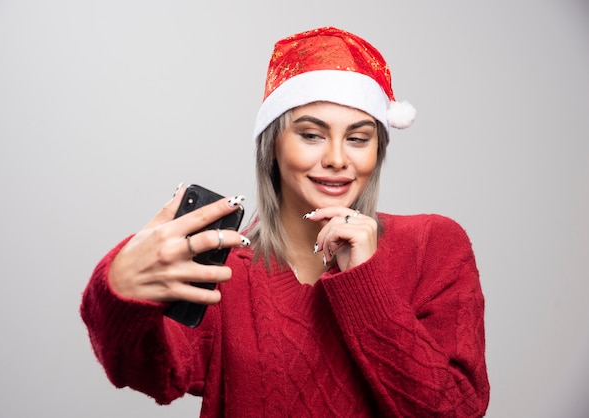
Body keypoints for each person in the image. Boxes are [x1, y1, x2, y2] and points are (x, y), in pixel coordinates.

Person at [80, 26, 490, 417]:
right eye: (311, 134)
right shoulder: (223, 270)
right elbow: (151, 373)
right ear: (272, 145)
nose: (336, 158)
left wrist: (365, 282)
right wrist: (116, 289)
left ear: (377, 151)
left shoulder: (433, 246)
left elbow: (455, 409)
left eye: (358, 138)